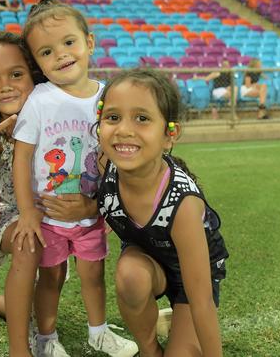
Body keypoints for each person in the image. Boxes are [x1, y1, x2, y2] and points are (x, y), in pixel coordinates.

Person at [13, 0, 138, 357]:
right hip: (48, 216)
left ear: (90, 42)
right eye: (47, 51)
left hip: (90, 213)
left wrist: (104, 205)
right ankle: (45, 340)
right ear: (37, 62)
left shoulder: (107, 98)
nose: (62, 55)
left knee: (93, 276)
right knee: (50, 278)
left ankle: (98, 332)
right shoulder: (39, 99)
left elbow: (116, 155)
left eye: (69, 42)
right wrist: (27, 210)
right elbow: (22, 159)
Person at [0, 30, 102, 355]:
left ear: (35, 76)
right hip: (9, 215)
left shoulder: (56, 114)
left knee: (48, 282)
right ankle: (20, 350)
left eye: (16, 74)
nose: (6, 85)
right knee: (29, 247)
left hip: (50, 212)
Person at [95, 68, 229, 357]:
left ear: (170, 135)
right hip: (146, 262)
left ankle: (179, 320)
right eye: (113, 117)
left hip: (191, 279)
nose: (124, 130)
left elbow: (201, 298)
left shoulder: (183, 205)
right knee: (130, 276)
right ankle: (149, 349)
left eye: (142, 118)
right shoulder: (106, 165)